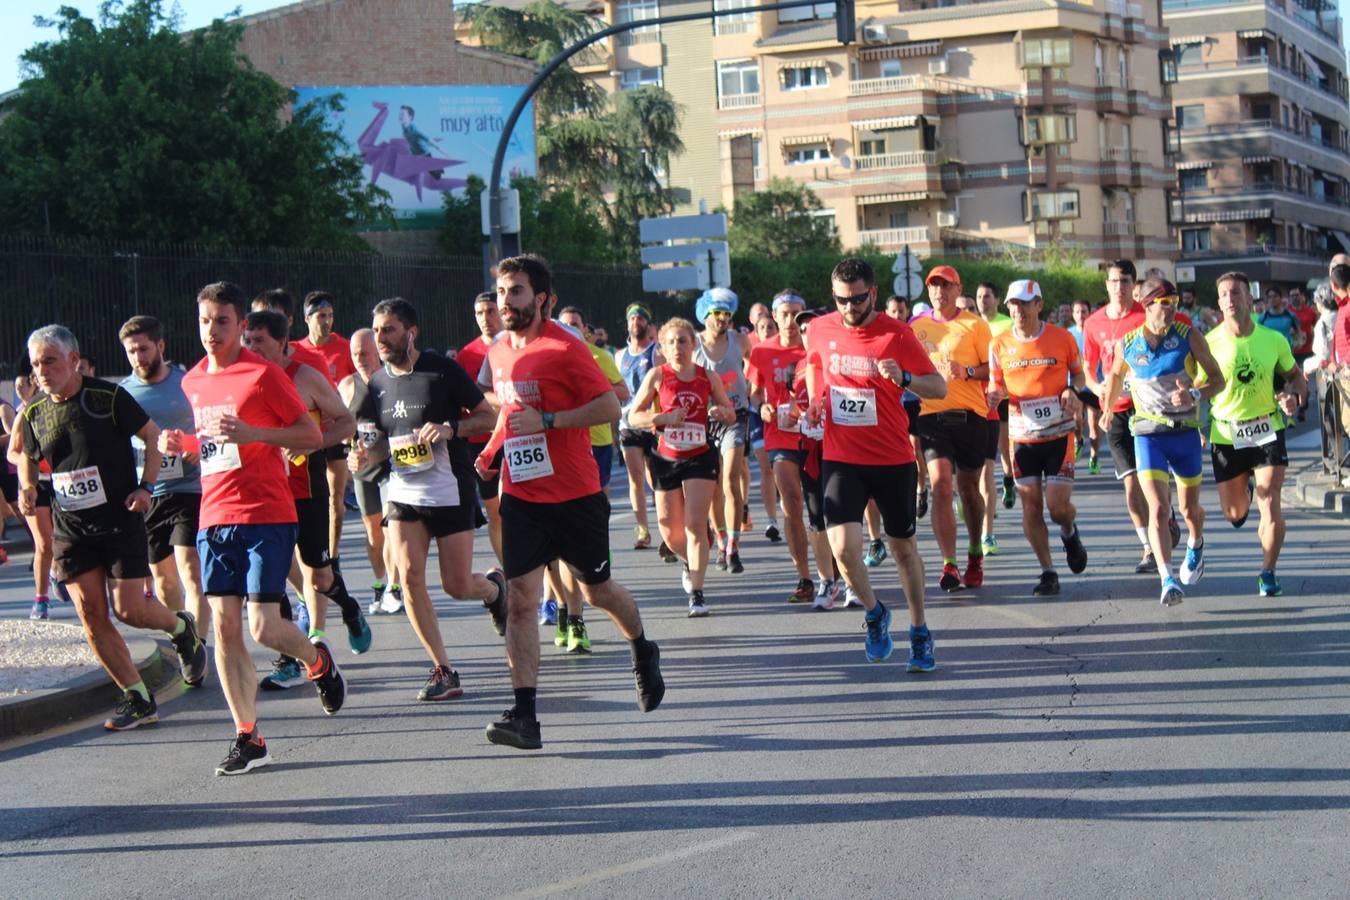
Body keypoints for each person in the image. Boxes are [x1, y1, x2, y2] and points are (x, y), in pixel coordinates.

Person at [478, 254, 664, 750]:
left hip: (575, 495)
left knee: (597, 592)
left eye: (516, 291)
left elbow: (610, 405)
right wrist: (492, 451)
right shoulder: (497, 352)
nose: (506, 301)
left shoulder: (565, 346)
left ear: (539, 298)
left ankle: (643, 648)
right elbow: (510, 409)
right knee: (521, 600)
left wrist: (552, 421)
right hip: (521, 494)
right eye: (501, 292)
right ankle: (525, 716)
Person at [171, 282, 345, 774]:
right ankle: (248, 736)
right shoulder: (193, 381)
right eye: (205, 321)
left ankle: (318, 662)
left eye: (222, 321)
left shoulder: (263, 375)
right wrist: (179, 442)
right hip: (215, 517)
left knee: (263, 627)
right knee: (225, 627)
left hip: (267, 512)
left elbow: (310, 434)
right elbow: (211, 444)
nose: (212, 331)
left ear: (240, 325)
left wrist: (256, 434)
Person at [16, 324, 209, 732]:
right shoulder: (34, 412)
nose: (42, 371)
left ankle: (181, 628)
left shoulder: (108, 398)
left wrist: (146, 486)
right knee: (91, 614)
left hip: (119, 519)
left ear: (72, 360)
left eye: (49, 361)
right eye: (35, 364)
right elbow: (28, 457)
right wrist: (29, 486)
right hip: (72, 528)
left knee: (131, 610)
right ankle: (137, 697)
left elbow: (153, 437)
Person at [352, 297, 505, 700]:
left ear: (411, 331)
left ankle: (493, 591)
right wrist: (365, 454)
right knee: (409, 577)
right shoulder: (378, 383)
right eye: (378, 331)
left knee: (456, 585)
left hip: (449, 489)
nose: (382, 339)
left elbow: (489, 418)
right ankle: (443, 668)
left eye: (389, 330)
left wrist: (451, 428)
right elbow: (382, 442)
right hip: (403, 493)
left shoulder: (442, 370)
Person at [805, 257, 945, 668]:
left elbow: (938, 387)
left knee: (903, 549)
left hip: (891, 459)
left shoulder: (897, 334)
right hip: (841, 456)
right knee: (844, 550)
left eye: (858, 299)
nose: (849, 309)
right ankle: (874, 612)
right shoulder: (819, 328)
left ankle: (919, 630)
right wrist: (815, 399)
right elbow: (814, 363)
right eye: (841, 300)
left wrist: (904, 378)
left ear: (874, 294)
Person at [242, 310, 369, 664]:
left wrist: (312, 441)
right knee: (273, 576)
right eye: (247, 341)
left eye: (260, 341)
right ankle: (288, 660)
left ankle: (349, 607)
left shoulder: (306, 378)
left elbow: (346, 423)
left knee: (319, 577)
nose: (252, 348)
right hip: (265, 496)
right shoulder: (243, 378)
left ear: (282, 343)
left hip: (306, 491)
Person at [1101, 279, 1225, 606]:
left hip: (1184, 433)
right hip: (1148, 435)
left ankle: (1196, 542)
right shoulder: (1128, 343)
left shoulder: (1189, 337)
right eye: (1164, 302)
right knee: (1158, 507)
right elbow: (1114, 376)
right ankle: (1167, 578)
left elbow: (1218, 380)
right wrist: (1106, 411)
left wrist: (1194, 393)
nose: (1171, 308)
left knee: (1188, 509)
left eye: (1175, 302)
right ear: (1147, 305)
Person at [1197, 272, 1307, 597]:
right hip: (1227, 434)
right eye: (1224, 294)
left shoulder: (1273, 339)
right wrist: (1191, 421)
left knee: (1270, 500)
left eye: (1236, 293)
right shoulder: (1209, 342)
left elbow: (1295, 377)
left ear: (1248, 298)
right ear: (1219, 303)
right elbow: (1198, 388)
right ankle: (1243, 486)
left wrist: (1294, 398)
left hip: (1266, 428)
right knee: (1235, 514)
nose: (1231, 299)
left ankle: (1268, 572)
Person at [987, 280, 1090, 596]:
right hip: (1023, 437)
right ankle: (1048, 571)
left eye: (1024, 303)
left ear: (1039, 305)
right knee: (1030, 505)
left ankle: (1069, 532)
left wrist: (1073, 391)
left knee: (1057, 507)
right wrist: (995, 395)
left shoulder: (1061, 338)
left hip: (1059, 434)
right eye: (1013, 304)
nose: (1018, 310)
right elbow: (996, 383)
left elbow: (1080, 375)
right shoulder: (999, 345)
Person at [628, 318, 736, 616]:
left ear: (694, 344)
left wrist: (721, 412)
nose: (678, 347)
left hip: (700, 455)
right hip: (666, 457)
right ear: (662, 347)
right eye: (671, 342)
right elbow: (633, 417)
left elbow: (730, 413)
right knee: (670, 532)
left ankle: (698, 594)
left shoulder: (707, 377)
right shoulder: (657, 376)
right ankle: (688, 559)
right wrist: (660, 419)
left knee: (694, 525)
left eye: (683, 341)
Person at [1083, 260, 1182, 574]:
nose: (1119, 287)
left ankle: (1165, 515)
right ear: (1106, 284)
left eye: (1125, 281)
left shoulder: (1146, 315)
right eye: (1113, 281)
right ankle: (1148, 547)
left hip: (1148, 409)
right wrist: (1097, 387)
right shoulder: (1093, 323)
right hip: (1115, 411)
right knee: (1130, 485)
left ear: (1134, 285)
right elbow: (1088, 368)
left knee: (1151, 480)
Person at [118, 316, 211, 645]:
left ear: (160, 346)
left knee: (190, 568)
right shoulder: (123, 393)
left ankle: (198, 642)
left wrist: (199, 448)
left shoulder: (186, 384)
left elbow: (208, 427)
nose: (138, 357)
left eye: (143, 349)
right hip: (149, 492)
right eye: (131, 352)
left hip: (189, 487)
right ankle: (184, 639)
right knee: (164, 580)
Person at [748, 290, 839, 608]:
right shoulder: (761, 352)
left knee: (826, 506)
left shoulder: (817, 349)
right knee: (792, 501)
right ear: (773, 316)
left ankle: (834, 567)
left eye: (796, 313)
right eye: (783, 313)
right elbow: (755, 393)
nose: (789, 320)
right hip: (781, 436)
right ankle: (805, 577)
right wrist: (762, 409)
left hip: (817, 436)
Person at [909, 265, 993, 592]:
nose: (939, 292)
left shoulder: (975, 325)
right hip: (932, 416)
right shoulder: (916, 326)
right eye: (934, 286)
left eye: (946, 286)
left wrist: (968, 370)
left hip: (971, 415)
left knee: (969, 489)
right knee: (941, 485)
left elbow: (992, 370)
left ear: (958, 290)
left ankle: (974, 553)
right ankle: (950, 563)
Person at [340, 328, 402, 615]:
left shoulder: (392, 379)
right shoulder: (347, 386)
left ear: (377, 351)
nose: (360, 358)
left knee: (391, 529)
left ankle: (394, 586)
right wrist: (350, 451)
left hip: (392, 466)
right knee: (374, 533)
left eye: (365, 353)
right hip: (363, 469)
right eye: (354, 354)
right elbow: (340, 428)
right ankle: (380, 581)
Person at [294, 291, 358, 564]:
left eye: (330, 316)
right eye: (321, 316)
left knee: (337, 500)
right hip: (306, 432)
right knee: (304, 500)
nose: (327, 321)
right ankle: (310, 554)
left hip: (336, 430)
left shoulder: (344, 348)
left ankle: (333, 557)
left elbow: (358, 384)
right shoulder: (297, 350)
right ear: (307, 319)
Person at [694, 287, 753, 573]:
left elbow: (756, 364)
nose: (722, 319)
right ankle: (719, 539)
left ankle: (734, 547)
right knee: (712, 485)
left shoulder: (739, 340)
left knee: (730, 479)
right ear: (705, 314)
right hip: (702, 419)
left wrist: (752, 384)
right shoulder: (692, 345)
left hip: (735, 416)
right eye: (717, 313)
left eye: (727, 314)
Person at [456, 292, 506, 565]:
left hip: (516, 438)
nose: (485, 318)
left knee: (521, 509)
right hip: (482, 441)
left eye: (490, 311)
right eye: (479, 313)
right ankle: (511, 572)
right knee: (495, 511)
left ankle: (542, 576)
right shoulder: (468, 354)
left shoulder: (513, 345)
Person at [6, 367, 58, 618]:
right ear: (34, 380)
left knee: (66, 540)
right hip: (34, 484)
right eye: (37, 373)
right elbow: (12, 453)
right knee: (44, 544)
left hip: (65, 482)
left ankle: (58, 573)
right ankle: (41, 599)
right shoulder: (28, 410)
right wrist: (33, 462)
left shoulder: (68, 404)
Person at [615, 303, 663, 551]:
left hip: (653, 422)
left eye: (641, 319)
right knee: (635, 477)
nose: (636, 322)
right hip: (628, 422)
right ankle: (643, 529)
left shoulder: (656, 352)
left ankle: (666, 526)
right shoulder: (620, 355)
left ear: (648, 324)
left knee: (657, 479)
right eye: (632, 318)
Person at [974, 280, 1014, 557]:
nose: (982, 300)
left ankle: (988, 534)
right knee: (968, 475)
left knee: (1002, 452)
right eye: (979, 296)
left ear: (997, 299)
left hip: (1000, 399)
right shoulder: (970, 326)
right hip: (967, 405)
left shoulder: (1007, 325)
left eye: (987, 296)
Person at [747, 312, 783, 543]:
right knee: (766, 468)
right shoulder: (754, 355)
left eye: (771, 326)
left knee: (784, 468)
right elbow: (752, 393)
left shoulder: (784, 352)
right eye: (763, 327)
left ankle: (790, 507)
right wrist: (760, 406)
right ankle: (771, 520)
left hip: (784, 416)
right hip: (759, 415)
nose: (767, 330)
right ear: (756, 332)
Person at [1066, 300, 1102, 474]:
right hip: (1075, 383)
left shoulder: (1096, 331)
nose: (1081, 315)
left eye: (1084, 312)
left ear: (1090, 313)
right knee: (1076, 421)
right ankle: (1078, 440)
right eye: (1077, 312)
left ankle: (1094, 457)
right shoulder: (1068, 335)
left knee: (1094, 425)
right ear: (1073, 314)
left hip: (1094, 384)